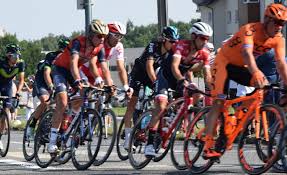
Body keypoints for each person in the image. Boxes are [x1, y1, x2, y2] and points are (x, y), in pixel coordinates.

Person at [203, 3, 287, 159]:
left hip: (241, 68)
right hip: (224, 63)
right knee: (219, 101)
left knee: (264, 89)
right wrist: (255, 71)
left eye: (283, 23)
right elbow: (247, 54)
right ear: (266, 20)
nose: (279, 27)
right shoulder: (250, 30)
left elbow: (281, 64)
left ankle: (235, 119)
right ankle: (207, 145)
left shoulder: (278, 39)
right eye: (276, 22)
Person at [144, 22, 213, 156]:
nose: (205, 42)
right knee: (161, 105)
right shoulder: (181, 45)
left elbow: (208, 76)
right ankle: (150, 143)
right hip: (166, 76)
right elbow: (175, 67)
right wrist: (182, 80)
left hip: (181, 78)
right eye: (202, 38)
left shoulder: (204, 54)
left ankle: (174, 123)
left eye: (207, 39)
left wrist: (213, 90)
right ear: (193, 37)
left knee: (194, 97)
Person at [47, 19, 112, 153]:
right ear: (91, 34)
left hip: (74, 71)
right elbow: (73, 62)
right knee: (63, 102)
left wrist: (106, 82)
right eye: (99, 36)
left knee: (83, 96)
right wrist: (77, 79)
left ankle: (68, 124)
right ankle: (52, 141)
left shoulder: (99, 47)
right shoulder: (78, 42)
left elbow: (103, 67)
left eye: (104, 37)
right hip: (60, 69)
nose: (102, 39)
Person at [123, 26, 180, 149]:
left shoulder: (172, 52)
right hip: (139, 73)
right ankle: (127, 137)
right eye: (171, 41)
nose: (174, 44)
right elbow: (149, 66)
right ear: (164, 39)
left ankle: (148, 128)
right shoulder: (153, 45)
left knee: (161, 101)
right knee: (132, 103)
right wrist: (155, 82)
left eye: (176, 42)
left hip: (152, 76)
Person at [26, 37, 70, 138]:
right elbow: (46, 73)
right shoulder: (51, 56)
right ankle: (33, 124)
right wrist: (51, 86)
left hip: (57, 81)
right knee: (45, 101)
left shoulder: (69, 59)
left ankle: (57, 131)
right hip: (42, 81)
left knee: (64, 105)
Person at [80, 21, 132, 94]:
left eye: (121, 36)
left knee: (109, 90)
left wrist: (126, 86)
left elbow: (121, 68)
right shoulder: (98, 44)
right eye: (116, 36)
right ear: (107, 35)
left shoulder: (119, 46)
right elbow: (92, 64)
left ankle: (101, 104)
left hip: (98, 70)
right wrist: (98, 79)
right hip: (83, 69)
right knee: (81, 96)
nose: (118, 39)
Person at [0, 44, 25, 150]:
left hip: (8, 85)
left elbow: (22, 80)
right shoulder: (1, 63)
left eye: (18, 56)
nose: (17, 59)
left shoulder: (20, 64)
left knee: (6, 111)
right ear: (8, 56)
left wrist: (18, 92)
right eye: (15, 56)